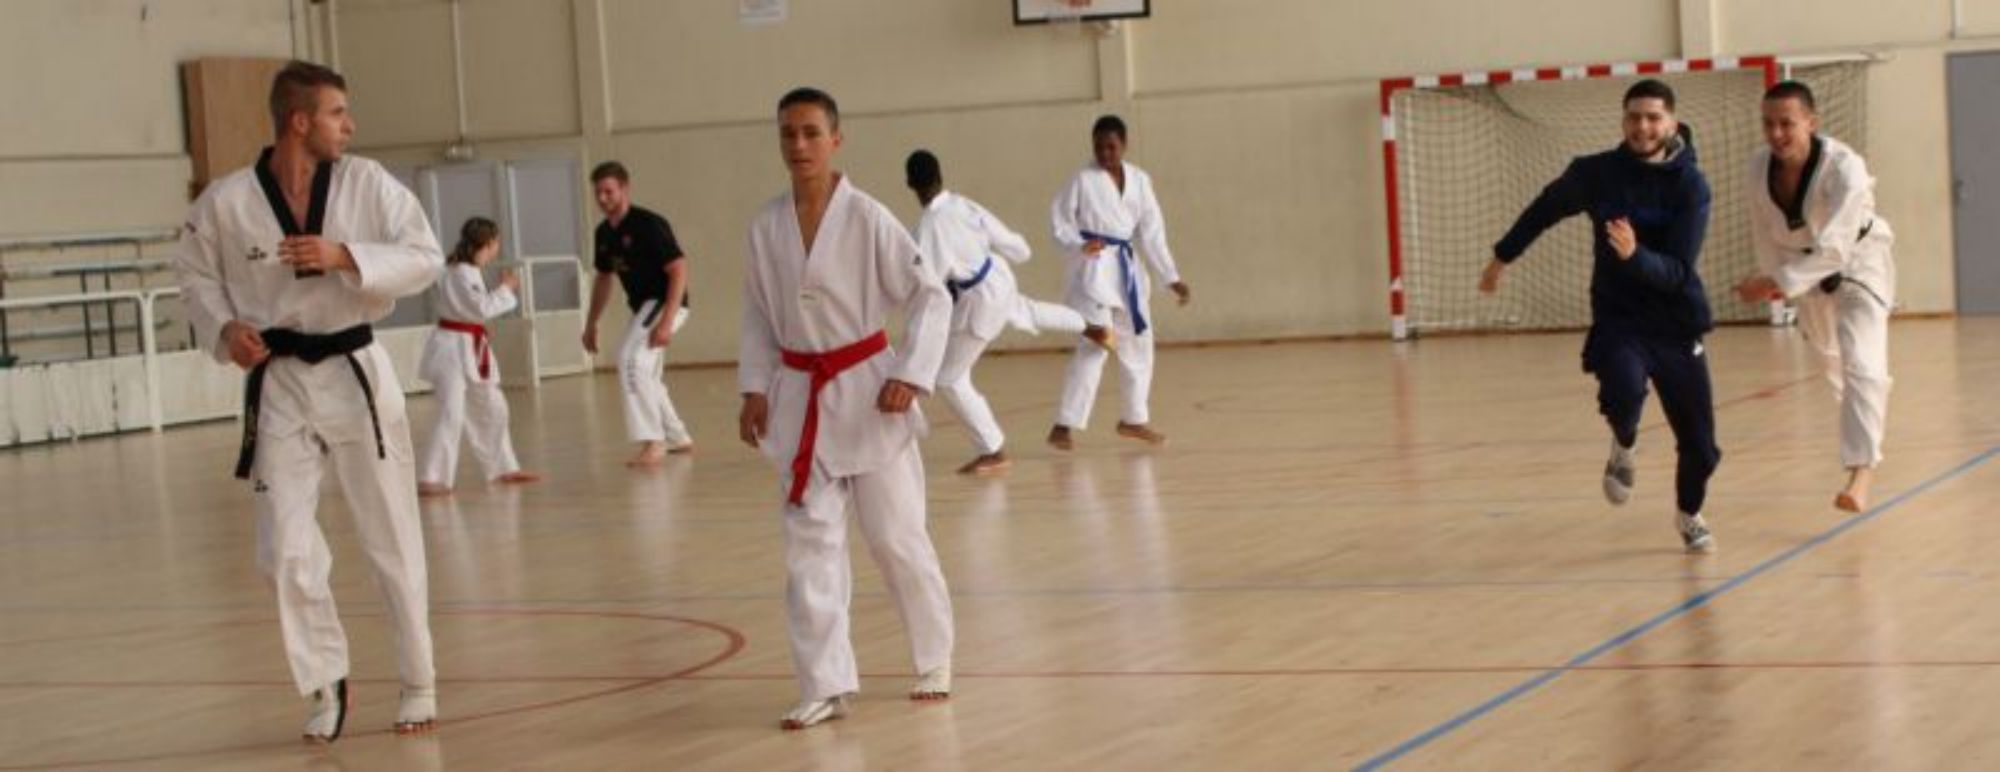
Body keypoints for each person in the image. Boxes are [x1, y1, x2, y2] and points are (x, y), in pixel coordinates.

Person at [172, 60, 443, 741]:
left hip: (355, 371)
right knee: (282, 548)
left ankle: (418, 681)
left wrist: (345, 254)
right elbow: (194, 277)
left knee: (390, 536)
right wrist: (224, 329)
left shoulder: (366, 183)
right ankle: (325, 680)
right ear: (299, 121)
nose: (349, 126)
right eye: (336, 113)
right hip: (281, 382)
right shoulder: (227, 202)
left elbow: (425, 256)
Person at [738, 88, 956, 730]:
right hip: (799, 396)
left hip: (868, 394)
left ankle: (934, 656)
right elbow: (756, 313)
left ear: (836, 139)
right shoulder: (765, 227)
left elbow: (931, 296)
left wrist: (911, 374)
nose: (799, 145)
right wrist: (754, 387)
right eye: (788, 133)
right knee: (809, 549)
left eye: (811, 132)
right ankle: (824, 684)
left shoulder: (867, 218)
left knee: (896, 538)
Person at [1480, 79, 1722, 553]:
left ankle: (1689, 513)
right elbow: (1544, 210)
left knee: (1701, 447)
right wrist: (1501, 258)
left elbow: (1677, 272)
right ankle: (1623, 444)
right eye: (1634, 117)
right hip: (1619, 317)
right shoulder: (1596, 174)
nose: (1642, 126)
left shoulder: (1691, 186)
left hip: (1676, 323)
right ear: (1623, 121)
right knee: (1623, 390)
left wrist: (1634, 256)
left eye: (1653, 117)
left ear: (1672, 123)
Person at [1732, 80, 1896, 512]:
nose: (1776, 133)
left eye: (1787, 123)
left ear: (1811, 122)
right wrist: (1771, 277)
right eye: (1768, 124)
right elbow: (1764, 232)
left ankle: (1861, 473)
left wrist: (1777, 282)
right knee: (1831, 361)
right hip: (1804, 274)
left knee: (1861, 362)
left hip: (1859, 263)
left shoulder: (1845, 167)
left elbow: (1837, 248)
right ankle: (1869, 406)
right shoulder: (1757, 167)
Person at [905, 149, 1088, 474]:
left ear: (910, 184)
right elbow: (1013, 244)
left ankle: (992, 449)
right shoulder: (963, 204)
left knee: (949, 378)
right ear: (940, 176)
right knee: (1026, 310)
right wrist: (1019, 251)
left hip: (979, 301)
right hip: (997, 278)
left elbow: (929, 285)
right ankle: (1090, 324)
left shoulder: (928, 227)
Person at [1046, 114, 1191, 451]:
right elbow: (1058, 221)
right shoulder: (1082, 179)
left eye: (1111, 146)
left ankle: (1133, 419)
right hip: (1094, 268)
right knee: (1097, 343)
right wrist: (1077, 245)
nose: (1104, 153)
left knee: (1139, 340)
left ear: (1124, 145)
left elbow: (1152, 233)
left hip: (1126, 271)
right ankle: (1063, 424)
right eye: (1098, 147)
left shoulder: (1140, 180)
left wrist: (1171, 277)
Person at [416, 216, 542, 496]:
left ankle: (503, 467)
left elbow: (477, 309)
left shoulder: (467, 270)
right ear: (490, 243)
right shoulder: (459, 272)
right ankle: (432, 477)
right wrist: (506, 288)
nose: (497, 247)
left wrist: (502, 290)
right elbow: (480, 308)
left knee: (493, 406)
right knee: (451, 410)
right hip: (451, 348)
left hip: (469, 347)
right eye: (497, 242)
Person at [581, 161, 694, 466]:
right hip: (644, 308)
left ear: (624, 189)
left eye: (609, 191)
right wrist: (591, 323)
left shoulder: (648, 224)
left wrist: (667, 322)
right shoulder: (603, 233)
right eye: (598, 193)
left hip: (663, 302)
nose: (602, 198)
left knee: (630, 359)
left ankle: (653, 441)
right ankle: (676, 436)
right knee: (646, 373)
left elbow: (679, 269)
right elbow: (604, 278)